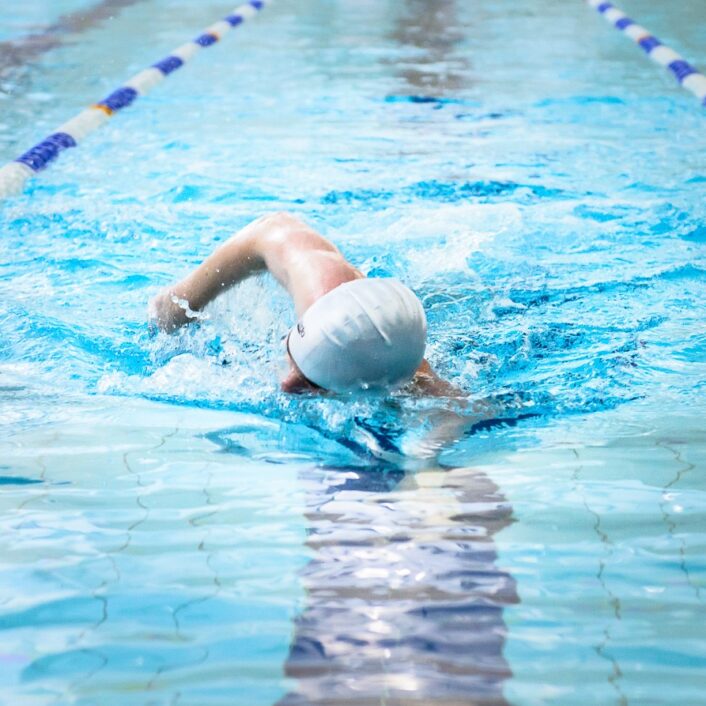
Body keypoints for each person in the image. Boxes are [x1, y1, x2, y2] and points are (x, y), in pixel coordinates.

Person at [150, 211, 457, 396]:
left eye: (316, 386)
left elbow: (462, 410)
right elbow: (274, 228)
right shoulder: (319, 278)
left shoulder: (412, 373)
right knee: (166, 312)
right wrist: (180, 303)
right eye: (300, 364)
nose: (287, 384)